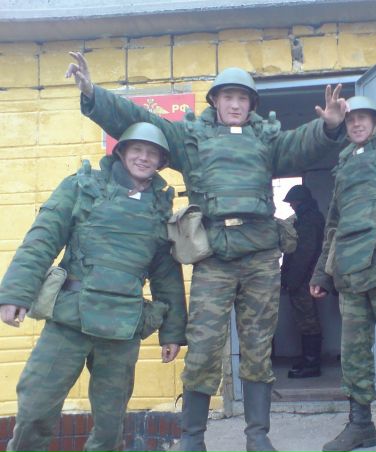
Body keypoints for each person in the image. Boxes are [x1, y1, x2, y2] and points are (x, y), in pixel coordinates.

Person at [66, 52, 347, 452]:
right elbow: (141, 120)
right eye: (228, 96)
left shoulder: (266, 139)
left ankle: (258, 437)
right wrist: (95, 95)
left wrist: (328, 126)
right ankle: (192, 439)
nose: (235, 104)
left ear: (251, 104)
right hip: (213, 258)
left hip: (260, 257)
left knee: (257, 349)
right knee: (202, 348)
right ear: (214, 100)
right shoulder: (191, 139)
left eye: (242, 98)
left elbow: (299, 144)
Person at [0, 122, 188, 452]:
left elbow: (166, 275)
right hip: (69, 319)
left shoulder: (159, 209)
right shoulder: (81, 186)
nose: (144, 158)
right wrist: (16, 293)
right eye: (137, 149)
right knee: (35, 409)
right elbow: (42, 240)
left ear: (161, 162)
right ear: (121, 152)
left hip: (122, 325)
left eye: (152, 153)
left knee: (110, 425)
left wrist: (172, 332)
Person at [309, 92, 376, 452]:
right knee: (353, 352)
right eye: (350, 119)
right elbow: (333, 224)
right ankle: (360, 424)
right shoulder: (343, 164)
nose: (355, 124)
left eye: (362, 118)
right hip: (350, 272)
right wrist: (321, 274)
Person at [280, 184, 325, 379]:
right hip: (307, 277)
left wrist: (292, 280)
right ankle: (308, 360)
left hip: (304, 279)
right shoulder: (309, 218)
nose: (290, 205)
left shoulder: (308, 221)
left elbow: (303, 254)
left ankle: (311, 364)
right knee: (305, 319)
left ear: (300, 201)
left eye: (292, 202)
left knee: (308, 320)